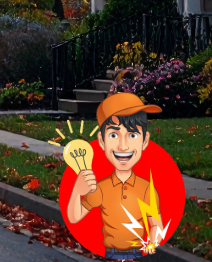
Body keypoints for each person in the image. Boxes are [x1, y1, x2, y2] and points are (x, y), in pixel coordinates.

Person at [66, 92, 165, 260]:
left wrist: (150, 247)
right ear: (102, 141)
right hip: (110, 254)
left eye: (132, 135)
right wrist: (77, 191)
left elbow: (157, 226)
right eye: (114, 135)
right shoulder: (102, 188)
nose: (123, 145)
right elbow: (74, 217)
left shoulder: (147, 189)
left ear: (145, 140)